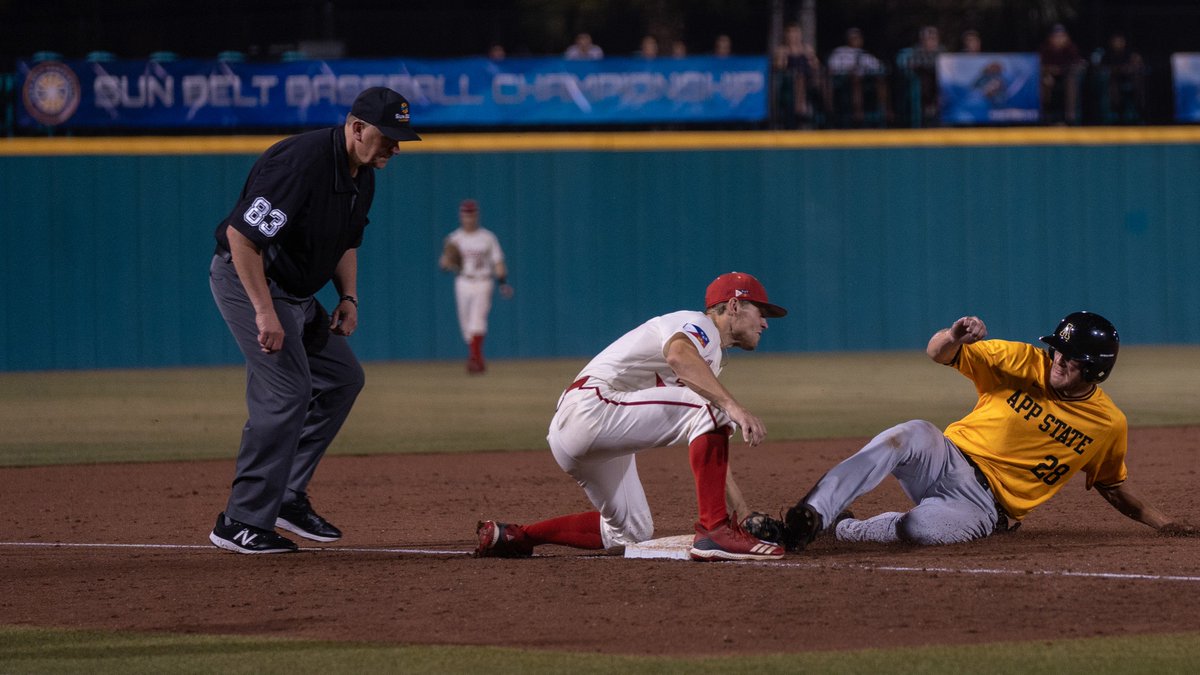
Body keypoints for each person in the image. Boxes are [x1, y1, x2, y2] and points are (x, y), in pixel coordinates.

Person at [753, 311, 1196, 551]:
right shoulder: (1022, 360)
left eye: (1070, 357)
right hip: (945, 457)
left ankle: (846, 529)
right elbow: (937, 353)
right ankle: (811, 515)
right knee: (908, 433)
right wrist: (953, 335)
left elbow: (1114, 487)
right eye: (1057, 350)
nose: (1057, 359)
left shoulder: (1107, 424)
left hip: (985, 507)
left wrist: (1166, 524)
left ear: (1095, 369)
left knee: (923, 530)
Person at [207, 86, 421, 554]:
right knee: (288, 391)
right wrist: (264, 310)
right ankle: (239, 520)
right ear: (357, 127)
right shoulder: (300, 163)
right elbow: (242, 238)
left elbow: (347, 242)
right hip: (252, 282)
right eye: (388, 136)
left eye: (400, 139)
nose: (395, 147)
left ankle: (285, 495)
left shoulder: (362, 173)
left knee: (343, 379)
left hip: (298, 294)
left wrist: (348, 296)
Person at [475, 272, 788, 561]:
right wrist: (733, 406)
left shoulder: (710, 357)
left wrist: (743, 513)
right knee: (715, 408)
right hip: (592, 407)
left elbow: (709, 434)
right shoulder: (698, 323)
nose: (765, 323)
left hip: (581, 432)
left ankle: (516, 537)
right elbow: (679, 355)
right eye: (760, 312)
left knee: (630, 532)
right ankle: (714, 532)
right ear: (733, 306)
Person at [438, 199, 513, 374]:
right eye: (466, 215)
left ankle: (476, 359)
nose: (469, 218)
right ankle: (475, 356)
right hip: (463, 280)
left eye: (472, 215)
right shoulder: (455, 238)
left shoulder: (487, 237)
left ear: (477, 216)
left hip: (483, 281)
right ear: (461, 216)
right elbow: (444, 265)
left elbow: (498, 261)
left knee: (477, 320)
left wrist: (502, 283)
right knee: (466, 326)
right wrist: (447, 261)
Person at [826, 27, 889, 127]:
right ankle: (857, 112)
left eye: (858, 38)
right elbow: (832, 68)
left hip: (865, 82)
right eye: (853, 38)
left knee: (880, 79)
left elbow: (878, 67)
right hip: (844, 82)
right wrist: (848, 71)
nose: (856, 40)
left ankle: (884, 109)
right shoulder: (840, 52)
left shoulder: (864, 54)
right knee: (855, 78)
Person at [1039, 24, 1084, 125]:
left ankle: (1070, 118)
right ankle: (1045, 117)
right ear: (1050, 38)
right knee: (1045, 82)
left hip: (1066, 77)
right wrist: (1048, 72)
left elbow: (1078, 65)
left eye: (1062, 36)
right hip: (1049, 77)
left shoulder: (1071, 48)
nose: (1059, 39)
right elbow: (1038, 66)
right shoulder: (1045, 49)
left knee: (1071, 82)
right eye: (1056, 36)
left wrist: (1061, 70)